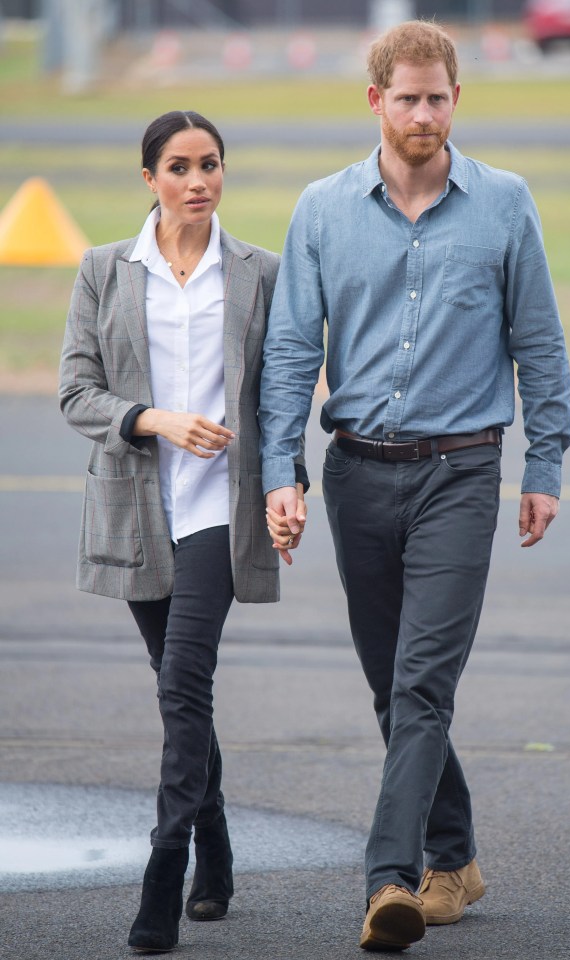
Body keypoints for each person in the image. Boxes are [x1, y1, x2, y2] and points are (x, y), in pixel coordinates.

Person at [259, 20, 570, 953]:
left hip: (462, 473)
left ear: (455, 100)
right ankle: (457, 851)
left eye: (438, 97)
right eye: (407, 97)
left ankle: (392, 880)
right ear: (375, 102)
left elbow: (540, 346)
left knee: (423, 683)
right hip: (356, 473)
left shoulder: (505, 205)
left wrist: (543, 465)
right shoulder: (320, 209)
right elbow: (288, 352)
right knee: (392, 690)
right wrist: (283, 472)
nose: (423, 113)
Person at [59, 110, 307, 954]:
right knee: (182, 688)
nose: (197, 180)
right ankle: (218, 849)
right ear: (149, 180)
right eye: (178, 166)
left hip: (219, 511)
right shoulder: (103, 270)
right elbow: (75, 393)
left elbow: (281, 395)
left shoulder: (260, 272)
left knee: (181, 686)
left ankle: (162, 872)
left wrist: (287, 481)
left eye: (210, 164)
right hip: (136, 510)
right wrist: (153, 418)